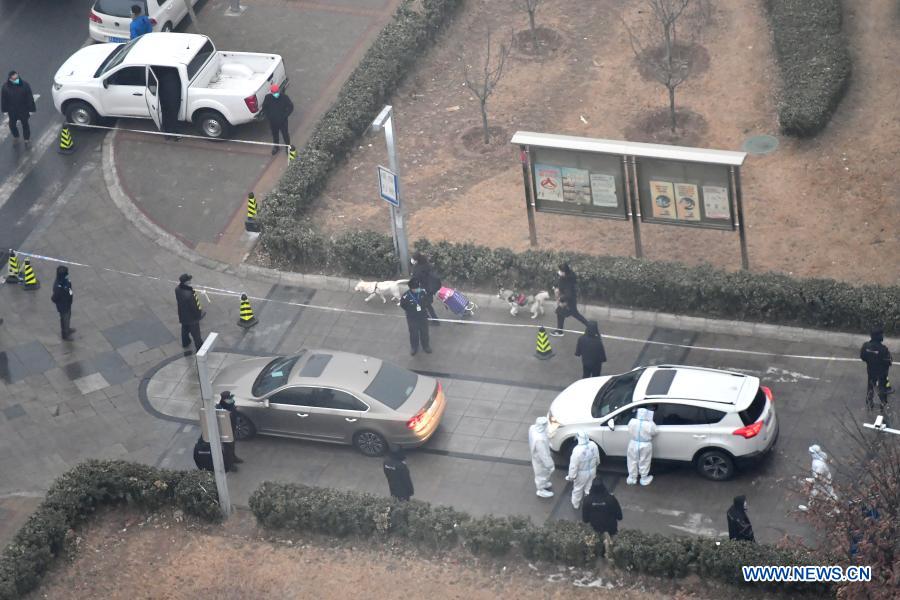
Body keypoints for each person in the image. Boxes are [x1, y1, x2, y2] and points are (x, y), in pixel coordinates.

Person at [551, 263, 589, 337]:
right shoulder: (566, 276)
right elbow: (559, 281)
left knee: (573, 314)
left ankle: (559, 331)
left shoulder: (568, 281)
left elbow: (568, 295)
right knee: (563, 313)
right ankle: (590, 326)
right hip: (568, 301)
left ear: (564, 272)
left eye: (561, 271)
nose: (559, 272)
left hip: (568, 302)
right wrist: (555, 286)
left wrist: (560, 298)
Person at [566, 431, 600, 510]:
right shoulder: (593, 445)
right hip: (592, 470)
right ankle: (589, 502)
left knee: (578, 488)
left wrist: (572, 476)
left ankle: (576, 504)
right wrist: (596, 464)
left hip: (581, 473)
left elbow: (573, 466)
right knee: (589, 487)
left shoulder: (577, 450)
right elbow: (597, 458)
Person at [860, 327, 891, 411]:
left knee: (870, 384)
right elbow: (888, 361)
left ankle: (869, 400)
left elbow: (862, 357)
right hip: (881, 372)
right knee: (882, 386)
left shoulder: (866, 346)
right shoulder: (883, 349)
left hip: (870, 370)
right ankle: (883, 403)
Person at [799, 444, 837, 512]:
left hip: (823, 482)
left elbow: (817, 477)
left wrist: (809, 480)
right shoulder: (818, 459)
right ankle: (811, 506)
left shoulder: (819, 464)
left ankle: (834, 510)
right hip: (824, 480)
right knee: (819, 494)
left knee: (828, 495)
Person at [1, 70, 36, 143]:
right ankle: (16, 136)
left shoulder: (25, 85)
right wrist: (4, 110)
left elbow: (29, 97)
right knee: (12, 125)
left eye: (17, 78)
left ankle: (26, 139)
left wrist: (31, 108)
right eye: (14, 79)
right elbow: (4, 99)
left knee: (25, 124)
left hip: (23, 110)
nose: (17, 80)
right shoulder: (5, 87)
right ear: (10, 79)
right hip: (12, 111)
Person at [399, 277, 431, 355]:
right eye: (416, 288)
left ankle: (426, 346)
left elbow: (427, 301)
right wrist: (411, 311)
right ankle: (414, 347)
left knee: (424, 332)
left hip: (423, 316)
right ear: (412, 288)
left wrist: (424, 307)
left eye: (419, 287)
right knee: (414, 333)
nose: (418, 289)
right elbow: (403, 305)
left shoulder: (423, 292)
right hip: (412, 318)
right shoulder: (406, 296)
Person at [626, 407, 657, 486]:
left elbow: (629, 430)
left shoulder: (632, 421)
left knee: (632, 460)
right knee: (644, 461)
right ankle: (644, 479)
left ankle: (632, 478)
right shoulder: (650, 424)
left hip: (633, 443)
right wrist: (651, 421)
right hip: (645, 444)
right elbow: (654, 432)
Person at [175, 273, 204, 352]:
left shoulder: (177, 289)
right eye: (189, 280)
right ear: (186, 282)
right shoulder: (189, 294)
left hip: (182, 315)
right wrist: (199, 315)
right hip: (191, 318)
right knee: (196, 334)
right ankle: (200, 348)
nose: (190, 281)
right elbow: (194, 307)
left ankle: (186, 342)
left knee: (185, 329)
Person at [262, 84, 293, 155]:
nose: (276, 94)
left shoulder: (284, 97)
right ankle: (276, 147)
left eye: (277, 92)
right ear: (271, 92)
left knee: (285, 135)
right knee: (275, 134)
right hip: (273, 122)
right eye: (274, 93)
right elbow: (264, 108)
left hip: (283, 121)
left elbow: (291, 107)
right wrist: (269, 116)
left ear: (279, 90)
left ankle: (287, 147)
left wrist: (285, 116)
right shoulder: (268, 98)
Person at [528, 416, 555, 498]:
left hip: (536, 456)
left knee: (543, 473)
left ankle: (544, 484)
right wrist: (550, 465)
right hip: (540, 460)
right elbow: (544, 455)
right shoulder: (540, 440)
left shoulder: (533, 428)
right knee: (541, 474)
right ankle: (541, 490)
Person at [410, 252, 440, 325]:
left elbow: (415, 279)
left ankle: (434, 320)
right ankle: (431, 319)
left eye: (413, 259)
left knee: (425, 305)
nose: (412, 260)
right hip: (429, 288)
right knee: (425, 304)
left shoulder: (418, 269)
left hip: (423, 289)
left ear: (416, 260)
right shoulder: (425, 264)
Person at [217, 391, 244, 467]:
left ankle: (233, 457)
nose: (231, 399)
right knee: (227, 448)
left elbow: (235, 411)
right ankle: (229, 463)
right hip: (225, 430)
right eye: (229, 398)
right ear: (224, 399)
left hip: (232, 428)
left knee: (232, 445)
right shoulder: (220, 408)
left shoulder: (230, 403)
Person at [155, 67, 182, 141]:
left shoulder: (160, 72)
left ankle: (169, 134)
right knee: (173, 116)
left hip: (166, 98)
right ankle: (174, 134)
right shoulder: (174, 72)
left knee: (167, 116)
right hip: (173, 97)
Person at [50, 265, 75, 340]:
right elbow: (54, 298)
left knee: (67, 318)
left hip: (68, 303)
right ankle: (65, 335)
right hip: (63, 306)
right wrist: (62, 303)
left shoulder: (66, 281)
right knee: (64, 319)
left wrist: (70, 297)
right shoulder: (58, 286)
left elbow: (69, 289)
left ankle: (67, 329)